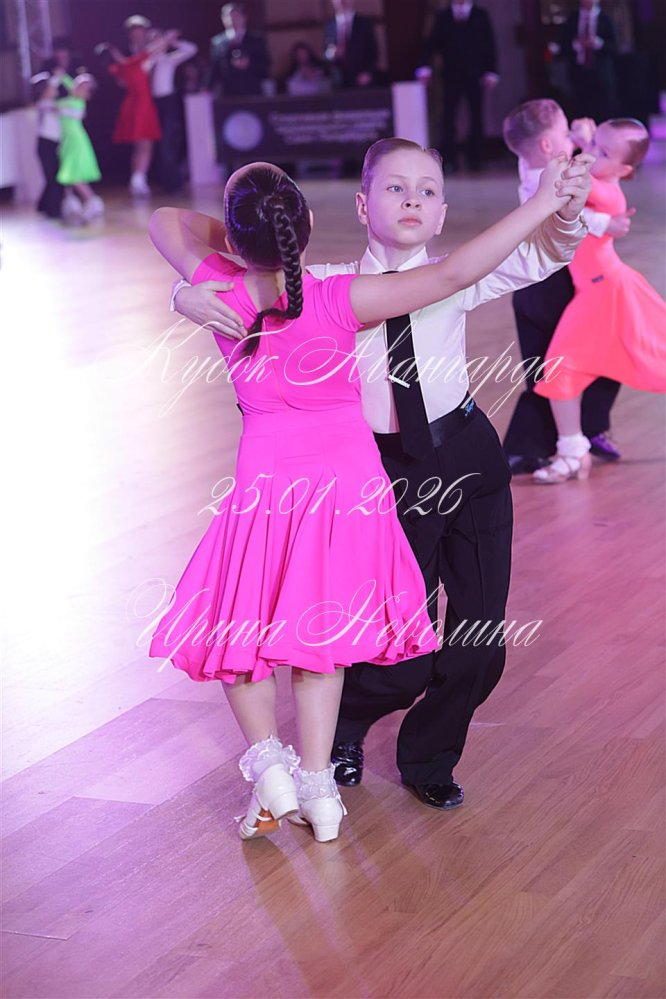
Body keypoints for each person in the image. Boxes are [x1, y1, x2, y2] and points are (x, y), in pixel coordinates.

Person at [164, 140, 592, 814]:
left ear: (443, 211)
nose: (413, 199)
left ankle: (429, 758)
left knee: (480, 644)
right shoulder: (319, 284)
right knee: (398, 658)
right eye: (396, 187)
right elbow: (243, 242)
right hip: (380, 473)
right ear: (363, 205)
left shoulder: (464, 272)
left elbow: (545, 252)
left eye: (428, 189)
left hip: (465, 454)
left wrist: (561, 210)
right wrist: (186, 291)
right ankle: (344, 727)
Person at [533, 118, 666, 483]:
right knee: (566, 369)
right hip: (601, 288)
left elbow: (562, 178)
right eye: (595, 146)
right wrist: (585, 141)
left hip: (604, 291)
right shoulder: (604, 183)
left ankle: (572, 452)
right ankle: (572, 450)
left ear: (624, 170)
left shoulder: (605, 192)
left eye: (603, 152)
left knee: (562, 368)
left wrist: (574, 143)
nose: (592, 155)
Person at [501, 99, 628, 473]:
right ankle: (568, 435)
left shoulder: (529, 163)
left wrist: (575, 138)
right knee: (566, 364)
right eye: (563, 132)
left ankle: (542, 442)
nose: (569, 137)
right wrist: (608, 225)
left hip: (530, 288)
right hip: (552, 288)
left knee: (547, 368)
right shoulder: (546, 180)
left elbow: (566, 162)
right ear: (546, 145)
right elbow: (570, 206)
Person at [418, 1, 499, 171]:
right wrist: (424, 66)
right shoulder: (443, 16)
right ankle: (448, 158)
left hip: (475, 75)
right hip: (451, 75)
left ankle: (475, 158)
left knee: (476, 115)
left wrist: (491, 71)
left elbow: (489, 43)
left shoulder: (480, 15)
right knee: (448, 116)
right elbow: (432, 42)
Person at [107, 16, 164, 197]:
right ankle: (138, 178)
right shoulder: (130, 55)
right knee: (142, 142)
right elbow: (120, 80)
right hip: (138, 100)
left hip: (144, 99)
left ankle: (138, 178)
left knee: (143, 143)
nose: (138, 34)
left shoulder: (141, 53)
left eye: (141, 30)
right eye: (135, 31)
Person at [149, 29, 198, 193]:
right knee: (157, 144)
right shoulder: (148, 60)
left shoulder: (168, 60)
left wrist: (173, 42)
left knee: (168, 143)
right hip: (151, 104)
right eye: (153, 40)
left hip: (168, 103)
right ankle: (163, 180)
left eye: (158, 39)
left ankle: (174, 183)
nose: (157, 43)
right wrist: (162, 41)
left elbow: (192, 49)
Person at [56, 73, 104, 224]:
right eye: (77, 83)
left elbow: (58, 108)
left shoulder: (77, 104)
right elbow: (69, 83)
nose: (77, 86)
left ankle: (92, 200)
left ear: (87, 94)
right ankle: (71, 202)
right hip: (67, 141)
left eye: (82, 87)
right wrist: (61, 75)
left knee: (74, 175)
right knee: (67, 173)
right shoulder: (73, 98)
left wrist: (50, 105)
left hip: (76, 141)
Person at [560, 0, 618, 120]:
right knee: (580, 109)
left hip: (601, 75)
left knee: (603, 110)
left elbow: (615, 48)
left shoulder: (606, 19)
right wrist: (577, 44)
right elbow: (562, 47)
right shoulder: (572, 20)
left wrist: (598, 44)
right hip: (578, 74)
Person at [207, 3, 270, 98]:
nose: (232, 20)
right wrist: (207, 87)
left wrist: (249, 64)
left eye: (236, 16)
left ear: (244, 17)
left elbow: (266, 64)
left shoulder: (256, 40)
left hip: (252, 90)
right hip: (228, 92)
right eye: (228, 17)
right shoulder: (218, 42)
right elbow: (214, 69)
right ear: (223, 19)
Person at [31, 71, 64, 220]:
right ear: (44, 91)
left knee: (54, 177)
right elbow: (54, 108)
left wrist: (58, 77)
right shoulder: (44, 104)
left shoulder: (50, 103)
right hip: (46, 145)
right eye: (51, 87)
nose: (55, 89)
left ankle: (43, 205)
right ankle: (53, 210)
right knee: (53, 178)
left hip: (53, 144)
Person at [323, 0, 378, 89]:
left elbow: (373, 51)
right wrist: (332, 53)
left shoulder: (364, 24)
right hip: (339, 81)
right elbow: (326, 53)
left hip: (361, 80)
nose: (342, 1)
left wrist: (368, 72)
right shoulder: (329, 26)